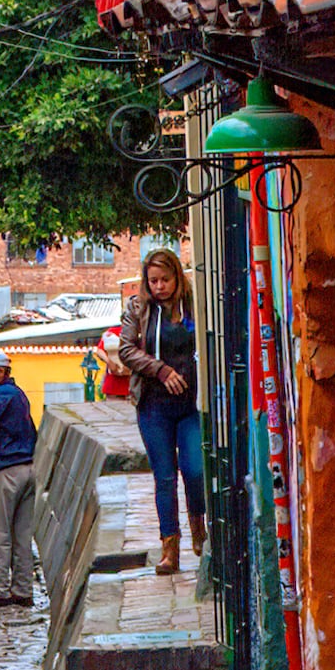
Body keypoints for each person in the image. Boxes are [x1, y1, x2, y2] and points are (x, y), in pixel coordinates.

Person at [115, 247, 203, 578]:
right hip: (153, 405)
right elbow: (126, 349)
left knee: (194, 469)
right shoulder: (138, 308)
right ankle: (170, 548)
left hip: (191, 404)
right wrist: (160, 370)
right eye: (153, 281)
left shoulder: (195, 304)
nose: (159, 287)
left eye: (165, 279)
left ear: (176, 278)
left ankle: (200, 530)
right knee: (164, 476)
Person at [0, 359, 43, 609]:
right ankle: (23, 591)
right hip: (29, 467)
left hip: (7, 469)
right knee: (22, 535)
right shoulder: (20, 396)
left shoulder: (0, 395)